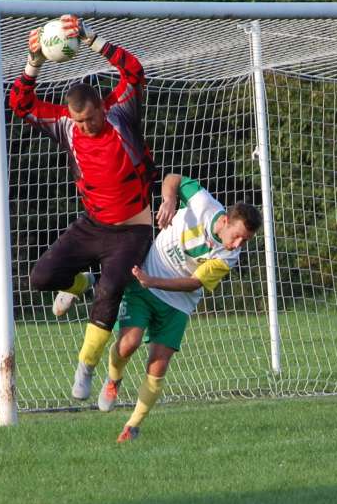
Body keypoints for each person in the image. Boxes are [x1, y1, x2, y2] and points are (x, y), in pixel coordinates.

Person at [8, 14, 158, 401]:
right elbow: (21, 106)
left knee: (110, 290)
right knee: (41, 277)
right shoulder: (66, 125)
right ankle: (81, 282)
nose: (85, 126)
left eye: (90, 118)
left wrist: (92, 40)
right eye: (79, 120)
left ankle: (86, 367)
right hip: (93, 225)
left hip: (133, 228)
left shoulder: (121, 113)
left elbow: (135, 72)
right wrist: (34, 61)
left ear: (100, 108)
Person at [96, 173, 262, 442]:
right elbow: (173, 178)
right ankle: (114, 379)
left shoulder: (228, 257)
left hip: (177, 302)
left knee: (158, 365)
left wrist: (154, 282)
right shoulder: (203, 203)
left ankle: (132, 426)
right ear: (224, 221)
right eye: (238, 236)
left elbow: (192, 284)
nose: (238, 245)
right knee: (129, 344)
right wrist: (170, 200)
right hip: (145, 279)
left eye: (245, 241)